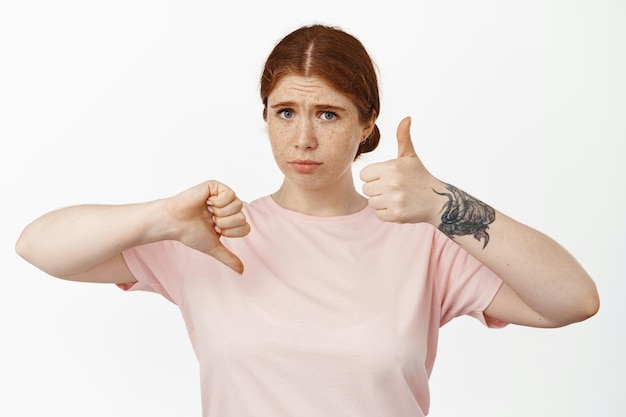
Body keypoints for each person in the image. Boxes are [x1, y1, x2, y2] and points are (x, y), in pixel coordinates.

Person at [15, 24, 599, 417]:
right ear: (265, 116)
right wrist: (164, 216)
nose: (304, 138)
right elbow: (38, 247)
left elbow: (573, 301)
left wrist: (446, 203)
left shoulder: (423, 243)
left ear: (368, 125)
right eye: (285, 112)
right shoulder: (208, 235)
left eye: (328, 113)